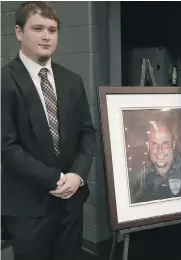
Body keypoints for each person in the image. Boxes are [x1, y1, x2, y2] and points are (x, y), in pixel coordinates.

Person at [1, 2, 96, 260]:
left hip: (71, 202)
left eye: (52, 30)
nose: (46, 36)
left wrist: (78, 174)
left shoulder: (72, 80)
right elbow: (6, 147)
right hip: (28, 207)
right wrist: (55, 179)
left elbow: (87, 133)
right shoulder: (4, 81)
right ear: (19, 33)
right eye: (38, 28)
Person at [132, 121, 181, 203]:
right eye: (154, 144)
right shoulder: (140, 182)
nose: (160, 149)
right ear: (148, 147)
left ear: (173, 145)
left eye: (165, 143)